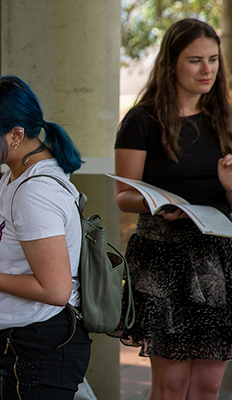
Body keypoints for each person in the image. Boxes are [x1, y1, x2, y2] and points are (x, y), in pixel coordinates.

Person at [111, 18, 232, 400]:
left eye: (213, 59)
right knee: (171, 386)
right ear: (171, 64)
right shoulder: (141, 121)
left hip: (219, 260)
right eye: (196, 60)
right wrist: (161, 204)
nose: (207, 69)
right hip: (166, 260)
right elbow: (123, 195)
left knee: (209, 386)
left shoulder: (225, 118)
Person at [0, 75, 91, 399]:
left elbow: (56, 290)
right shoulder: (17, 174)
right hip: (19, 340)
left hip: (40, 343)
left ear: (16, 135)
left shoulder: (35, 191)